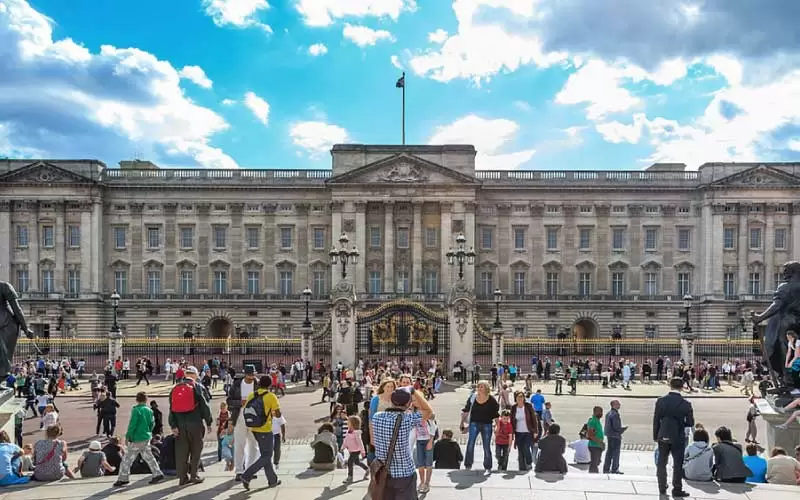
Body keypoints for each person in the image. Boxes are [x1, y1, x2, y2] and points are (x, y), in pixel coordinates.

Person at [371, 388, 434, 499]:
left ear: (391, 401)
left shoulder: (377, 417)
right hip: (405, 474)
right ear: (409, 403)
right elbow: (428, 411)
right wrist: (414, 392)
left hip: (383, 473)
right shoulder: (408, 419)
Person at [168, 365, 212, 486]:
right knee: (196, 450)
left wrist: (173, 425)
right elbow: (205, 406)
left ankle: (182, 477)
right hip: (195, 423)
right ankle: (194, 475)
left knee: (182, 452)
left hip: (180, 425)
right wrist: (208, 422)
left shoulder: (175, 388)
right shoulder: (198, 387)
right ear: (195, 375)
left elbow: (171, 409)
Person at [653, 377, 695, 497]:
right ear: (682, 387)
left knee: (662, 462)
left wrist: (656, 435)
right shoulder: (686, 403)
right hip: (678, 436)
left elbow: (656, 420)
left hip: (663, 434)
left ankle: (662, 487)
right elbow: (691, 422)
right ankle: (677, 488)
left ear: (669, 385)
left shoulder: (661, 401)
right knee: (677, 463)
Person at [114, 391, 164, 487]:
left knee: (127, 459)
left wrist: (128, 436)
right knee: (149, 457)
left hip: (137, 438)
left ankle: (123, 478)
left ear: (137, 400)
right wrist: (148, 432)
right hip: (146, 437)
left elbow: (133, 424)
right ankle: (157, 473)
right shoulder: (149, 410)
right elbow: (152, 424)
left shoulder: (136, 410)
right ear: (146, 400)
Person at [240, 375, 281, 490]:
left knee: (265, 455)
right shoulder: (271, 396)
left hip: (254, 428)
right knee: (267, 456)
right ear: (269, 384)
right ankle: (246, 475)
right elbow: (277, 414)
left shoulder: (252, 395)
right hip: (265, 429)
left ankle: (272, 480)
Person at [226, 364, 259, 481]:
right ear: (245, 374)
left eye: (253, 374)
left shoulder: (257, 384)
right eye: (249, 375)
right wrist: (241, 402)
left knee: (254, 445)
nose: (252, 377)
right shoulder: (237, 384)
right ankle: (239, 470)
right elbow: (229, 401)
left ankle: (250, 469)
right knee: (240, 445)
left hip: (255, 419)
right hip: (239, 417)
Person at [460, 380, 499, 472]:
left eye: (481, 386)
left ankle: (488, 466)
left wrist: (497, 427)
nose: (479, 388)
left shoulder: (491, 400)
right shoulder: (473, 397)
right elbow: (466, 410)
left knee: (486, 446)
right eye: (478, 386)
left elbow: (496, 414)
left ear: (486, 388)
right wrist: (462, 423)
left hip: (487, 424)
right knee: (470, 444)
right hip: (474, 423)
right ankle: (468, 464)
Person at [412, 414, 437, 492]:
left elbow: (433, 427)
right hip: (419, 441)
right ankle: (422, 482)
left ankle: (427, 483)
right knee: (420, 463)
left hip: (428, 440)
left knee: (429, 463)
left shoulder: (428, 414)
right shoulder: (414, 415)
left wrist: (430, 441)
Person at [341, 415, 368, 483]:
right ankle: (367, 469)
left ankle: (350, 477)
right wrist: (342, 447)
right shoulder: (348, 431)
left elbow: (360, 442)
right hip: (351, 450)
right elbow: (345, 441)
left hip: (356, 450)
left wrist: (363, 452)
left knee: (350, 462)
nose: (347, 423)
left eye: (349, 422)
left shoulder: (356, 433)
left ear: (353, 424)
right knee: (357, 462)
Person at [603, 400, 627, 474]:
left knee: (609, 452)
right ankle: (615, 469)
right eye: (618, 404)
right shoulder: (615, 414)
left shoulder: (608, 414)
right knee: (616, 453)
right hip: (615, 436)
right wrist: (622, 429)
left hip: (609, 435)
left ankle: (606, 468)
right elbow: (616, 427)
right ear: (614, 405)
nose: (619, 405)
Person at [586, 406, 604, 474]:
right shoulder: (593, 421)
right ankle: (593, 475)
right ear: (595, 412)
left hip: (597, 445)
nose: (601, 413)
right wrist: (600, 442)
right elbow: (590, 435)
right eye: (599, 412)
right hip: (594, 445)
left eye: (601, 412)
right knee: (594, 463)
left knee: (597, 462)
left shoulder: (597, 421)